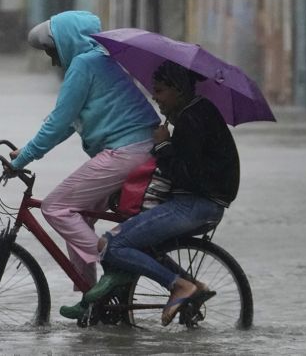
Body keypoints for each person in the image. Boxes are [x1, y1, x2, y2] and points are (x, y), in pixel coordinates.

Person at [60, 61, 240, 325]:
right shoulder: (196, 112)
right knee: (139, 244)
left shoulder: (192, 119)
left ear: (177, 90)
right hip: (200, 203)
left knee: (112, 244)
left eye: (159, 91)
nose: (155, 97)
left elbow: (184, 173)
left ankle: (178, 285)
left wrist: (163, 144)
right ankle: (192, 285)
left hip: (195, 206)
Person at [8, 11, 160, 295]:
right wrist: (27, 149)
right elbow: (69, 120)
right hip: (137, 149)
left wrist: (22, 159)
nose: (53, 59)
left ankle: (114, 259)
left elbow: (58, 122)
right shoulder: (98, 60)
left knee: (55, 208)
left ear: (68, 42)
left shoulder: (83, 64)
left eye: (53, 50)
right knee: (77, 218)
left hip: (126, 152)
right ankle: (91, 298)